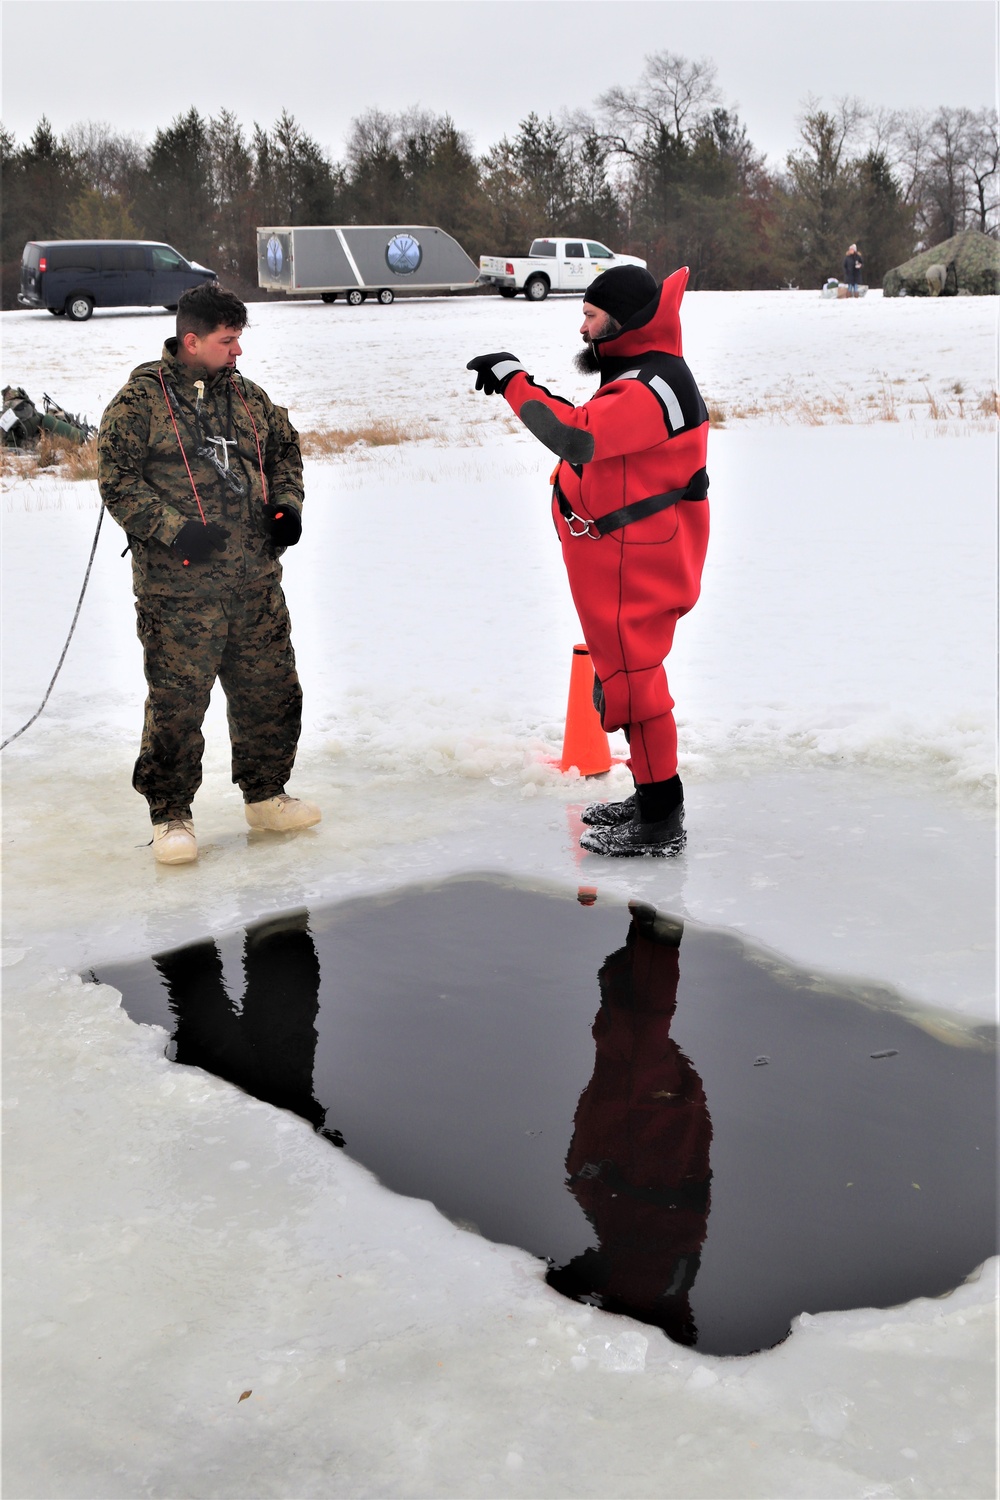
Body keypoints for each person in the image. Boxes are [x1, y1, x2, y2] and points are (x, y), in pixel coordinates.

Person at [467, 264, 710, 856]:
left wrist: (512, 380)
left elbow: (576, 435)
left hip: (639, 562)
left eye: (590, 316)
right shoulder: (641, 373)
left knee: (635, 684)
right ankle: (653, 794)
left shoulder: (654, 386)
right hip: (624, 557)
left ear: (620, 322)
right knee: (626, 679)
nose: (582, 328)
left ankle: (660, 819)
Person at [97, 283, 320, 865]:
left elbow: (285, 454)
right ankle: (171, 815)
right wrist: (175, 530)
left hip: (255, 585)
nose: (238, 351)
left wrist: (287, 508)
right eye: (228, 340)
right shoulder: (139, 403)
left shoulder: (250, 399)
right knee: (177, 705)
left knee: (272, 693)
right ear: (191, 340)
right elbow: (117, 483)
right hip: (179, 594)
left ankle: (266, 793)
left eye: (240, 338)